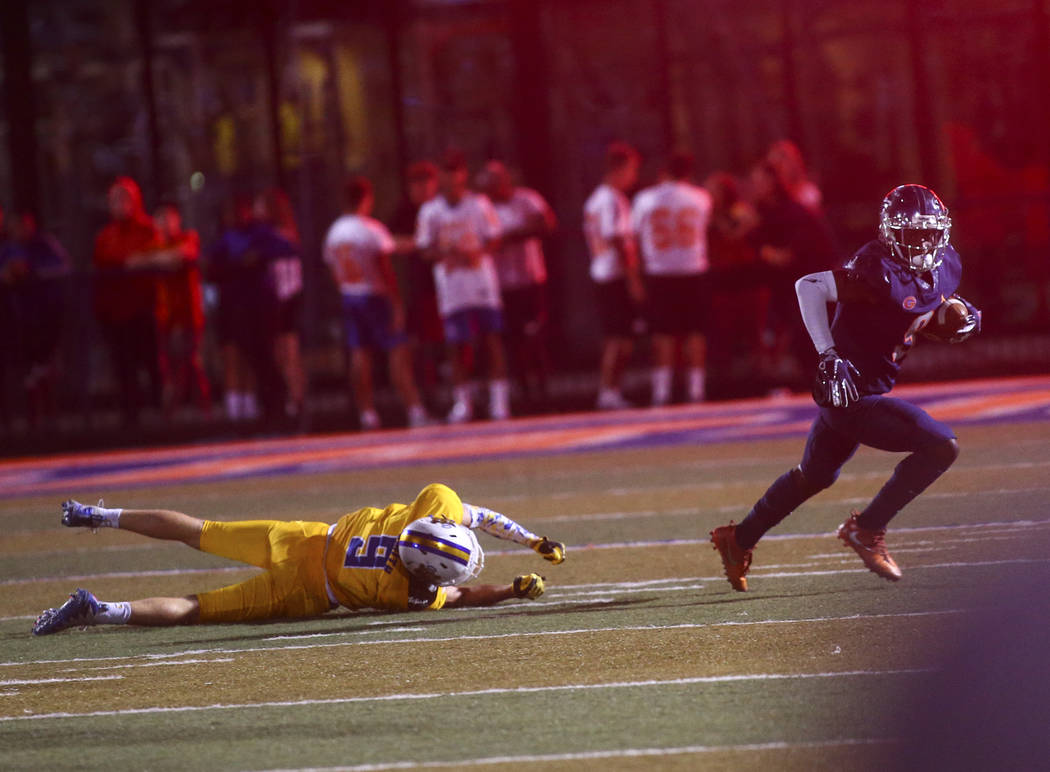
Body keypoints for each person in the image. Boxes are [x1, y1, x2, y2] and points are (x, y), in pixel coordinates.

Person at [710, 184, 981, 591]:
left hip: (867, 387)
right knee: (942, 446)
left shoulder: (946, 264)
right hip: (850, 391)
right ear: (892, 234)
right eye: (914, 233)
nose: (924, 241)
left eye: (929, 232)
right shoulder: (877, 269)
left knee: (814, 477)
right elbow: (809, 287)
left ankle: (739, 539)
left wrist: (959, 313)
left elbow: (933, 300)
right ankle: (867, 528)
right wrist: (828, 353)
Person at [32, 483, 566, 635]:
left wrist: (533, 540)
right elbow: (464, 594)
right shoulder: (407, 590)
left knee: (198, 530)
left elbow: (482, 517)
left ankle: (95, 515)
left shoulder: (433, 504)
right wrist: (516, 585)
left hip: (302, 539)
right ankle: (101, 610)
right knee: (197, 607)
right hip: (308, 593)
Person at [323, 175, 429, 430]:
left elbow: (333, 270)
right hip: (375, 295)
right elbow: (384, 266)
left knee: (360, 354)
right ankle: (414, 409)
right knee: (397, 351)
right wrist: (395, 303)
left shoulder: (335, 232)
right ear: (366, 198)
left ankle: (367, 413)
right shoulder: (369, 228)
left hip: (350, 294)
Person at [415, 149, 510, 423]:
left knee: (491, 340)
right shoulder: (431, 210)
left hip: (481, 284)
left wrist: (476, 253)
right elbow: (424, 248)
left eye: (455, 170)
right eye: (446, 171)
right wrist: (448, 255)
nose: (451, 176)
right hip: (452, 286)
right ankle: (462, 402)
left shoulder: (479, 204)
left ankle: (499, 401)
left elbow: (494, 238)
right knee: (456, 344)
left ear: (463, 173)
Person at [631, 151, 713, 405]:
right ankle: (696, 389)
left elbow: (634, 235)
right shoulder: (701, 197)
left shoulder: (645, 199)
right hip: (693, 268)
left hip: (660, 270)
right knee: (695, 331)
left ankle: (662, 391)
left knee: (663, 333)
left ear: (663, 172)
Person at [205, 194, 295, 424]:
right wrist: (235, 264)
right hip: (238, 309)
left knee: (268, 355)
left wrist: (258, 256)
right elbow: (209, 262)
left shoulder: (261, 233)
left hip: (263, 307)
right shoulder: (226, 238)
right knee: (246, 357)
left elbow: (286, 248)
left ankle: (278, 403)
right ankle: (246, 408)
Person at [477, 160, 558, 409]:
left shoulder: (526, 199)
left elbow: (545, 224)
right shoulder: (483, 207)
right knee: (511, 341)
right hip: (501, 283)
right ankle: (523, 392)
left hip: (529, 278)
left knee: (534, 335)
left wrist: (510, 236)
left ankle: (542, 390)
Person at [92, 177, 163, 426]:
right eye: (115, 200)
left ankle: (160, 415)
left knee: (153, 363)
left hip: (144, 308)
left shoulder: (148, 229)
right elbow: (106, 261)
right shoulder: (106, 236)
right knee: (124, 366)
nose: (120, 205)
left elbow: (155, 256)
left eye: (125, 199)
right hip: (116, 313)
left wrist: (136, 261)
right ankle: (130, 417)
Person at [583, 141, 644, 410]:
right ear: (619, 169)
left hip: (602, 272)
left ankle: (611, 389)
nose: (634, 176)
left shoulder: (596, 199)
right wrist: (633, 279)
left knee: (619, 337)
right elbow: (618, 240)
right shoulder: (612, 199)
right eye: (631, 169)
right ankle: (608, 390)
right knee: (618, 339)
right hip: (613, 275)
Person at [0, 209, 72, 428]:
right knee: (29, 370)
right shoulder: (10, 247)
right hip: (19, 319)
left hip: (45, 315)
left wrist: (31, 273)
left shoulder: (44, 245)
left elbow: (61, 266)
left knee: (43, 367)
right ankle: (32, 418)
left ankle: (49, 417)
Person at [390, 161, 444, 402]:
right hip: (419, 288)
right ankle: (428, 392)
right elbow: (388, 241)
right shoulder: (405, 212)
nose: (421, 189)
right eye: (416, 184)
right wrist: (420, 244)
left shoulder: (443, 208)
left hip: (451, 284)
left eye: (426, 182)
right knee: (419, 343)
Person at [151, 202, 211, 416]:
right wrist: (159, 258)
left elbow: (185, 253)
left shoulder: (188, 238)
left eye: (169, 218)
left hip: (189, 316)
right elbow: (135, 260)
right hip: (166, 317)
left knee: (192, 362)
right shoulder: (154, 245)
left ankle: (204, 413)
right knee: (171, 368)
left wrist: (163, 258)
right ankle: (171, 417)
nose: (165, 224)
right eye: (160, 219)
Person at [255, 187, 307, 424]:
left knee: (289, 352)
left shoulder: (279, 235)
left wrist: (283, 303)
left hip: (286, 300)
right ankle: (290, 400)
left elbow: (290, 275)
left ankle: (297, 403)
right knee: (281, 353)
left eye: (260, 206)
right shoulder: (270, 234)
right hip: (278, 301)